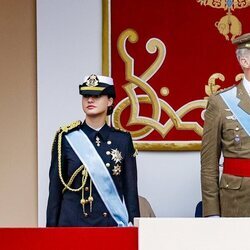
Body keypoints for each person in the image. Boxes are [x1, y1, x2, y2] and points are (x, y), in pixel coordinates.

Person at [46, 74, 140, 226]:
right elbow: (55, 193)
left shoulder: (122, 140)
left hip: (108, 226)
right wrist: (50, 234)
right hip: (71, 228)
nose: (90, 100)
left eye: (97, 95)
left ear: (110, 101)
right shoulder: (66, 138)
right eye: (86, 95)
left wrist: (135, 230)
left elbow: (130, 192)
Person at [201, 33, 250, 217]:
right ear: (244, 61)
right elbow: (208, 164)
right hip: (236, 200)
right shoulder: (221, 102)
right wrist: (212, 213)